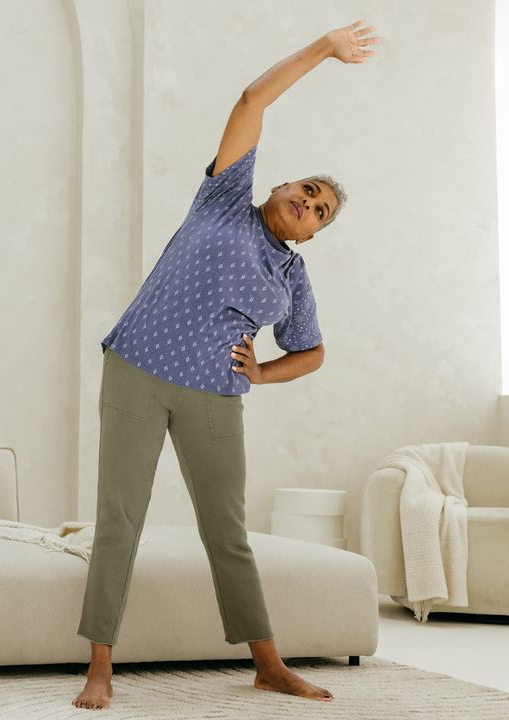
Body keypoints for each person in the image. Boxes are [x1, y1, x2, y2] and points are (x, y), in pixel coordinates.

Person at [72, 20, 378, 711]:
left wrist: (263, 374)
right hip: (137, 372)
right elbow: (251, 101)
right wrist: (324, 51)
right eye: (305, 189)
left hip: (214, 395)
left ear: (311, 235)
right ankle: (99, 666)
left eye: (319, 211)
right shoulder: (223, 201)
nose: (307, 202)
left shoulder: (292, 277)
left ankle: (268, 665)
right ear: (279, 187)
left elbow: (314, 351)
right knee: (120, 519)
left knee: (226, 534)